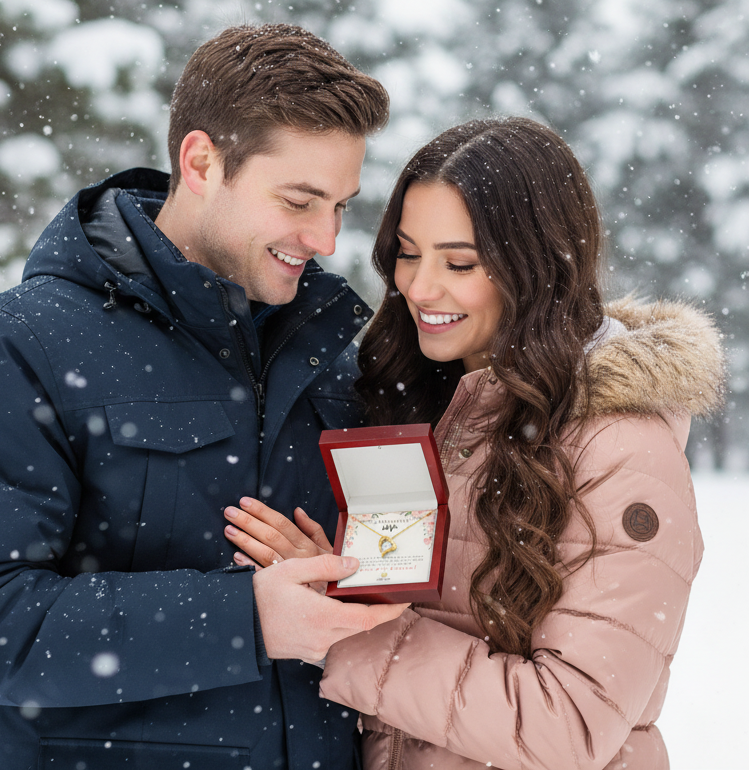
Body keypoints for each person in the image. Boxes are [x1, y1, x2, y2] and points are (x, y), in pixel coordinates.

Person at [0, 23, 409, 770]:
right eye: (300, 200)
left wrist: (350, 577)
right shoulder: (23, 346)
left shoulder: (333, 364)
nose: (325, 238)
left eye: (342, 204)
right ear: (201, 161)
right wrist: (240, 620)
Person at [222, 117, 726, 770]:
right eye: (408, 252)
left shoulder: (621, 453)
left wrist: (343, 634)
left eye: (459, 262)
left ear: (538, 266)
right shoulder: (425, 408)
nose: (420, 287)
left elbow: (567, 727)